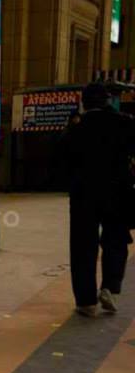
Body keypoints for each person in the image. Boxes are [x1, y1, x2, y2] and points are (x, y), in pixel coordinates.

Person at [59, 82, 134, 316]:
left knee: (83, 245)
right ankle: (110, 286)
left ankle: (86, 301)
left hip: (83, 195)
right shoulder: (124, 123)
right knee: (116, 239)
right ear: (107, 100)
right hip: (118, 193)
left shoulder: (76, 128)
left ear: (84, 102)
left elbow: (61, 161)